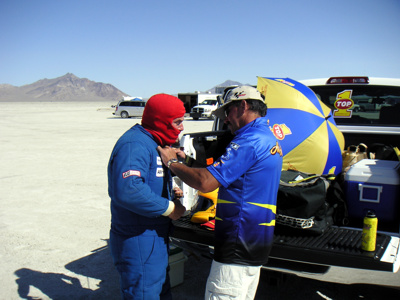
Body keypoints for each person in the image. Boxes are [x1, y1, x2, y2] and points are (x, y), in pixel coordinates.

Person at [158, 86, 283, 300]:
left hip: (237, 243)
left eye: (227, 112)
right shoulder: (266, 136)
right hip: (255, 243)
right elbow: (230, 171)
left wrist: (172, 163)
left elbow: (206, 183)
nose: (225, 119)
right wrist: (188, 161)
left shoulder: (249, 141)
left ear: (243, 106)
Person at [107, 93, 187, 300]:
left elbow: (149, 179)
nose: (182, 128)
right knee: (144, 293)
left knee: (160, 290)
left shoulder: (155, 143)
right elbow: (129, 189)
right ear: (160, 121)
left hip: (154, 235)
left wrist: (169, 192)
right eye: (177, 122)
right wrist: (171, 209)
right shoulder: (135, 145)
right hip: (138, 237)